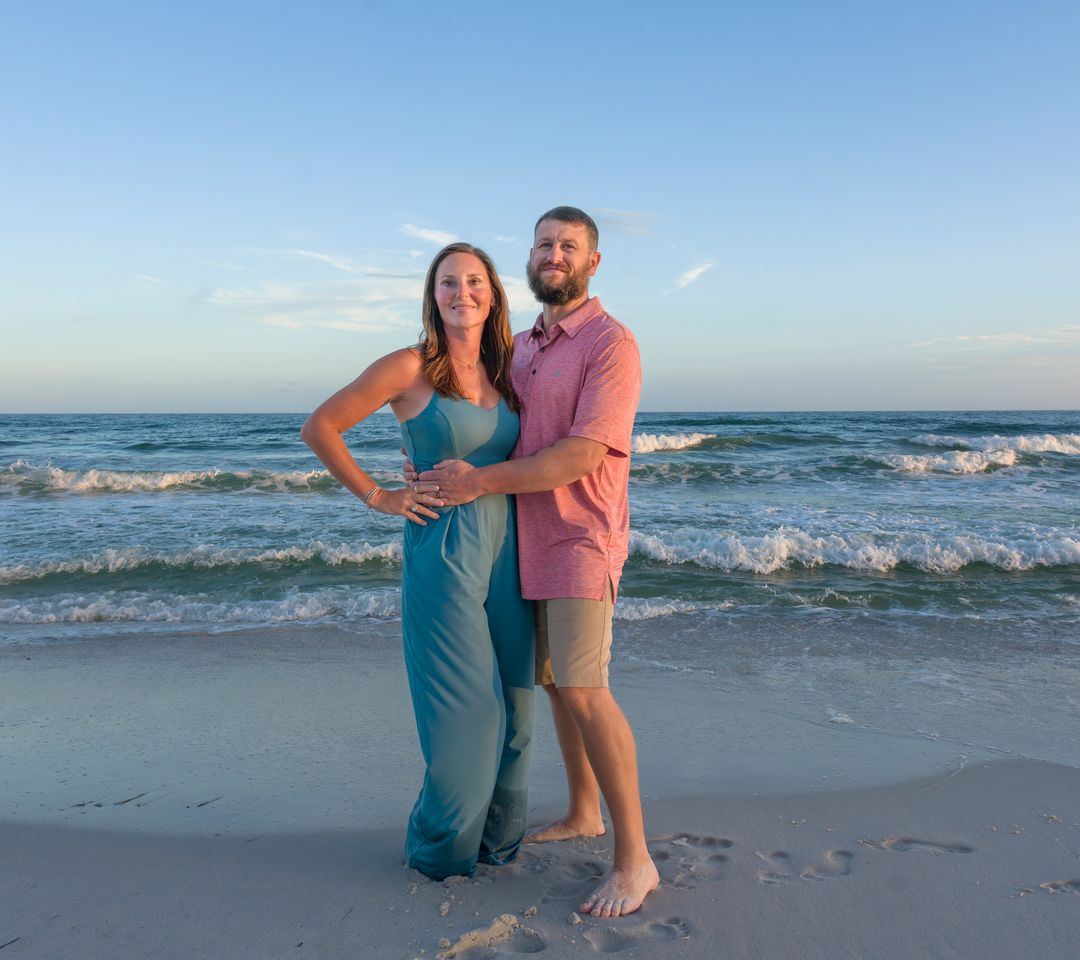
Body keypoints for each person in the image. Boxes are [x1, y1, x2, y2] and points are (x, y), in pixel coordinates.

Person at [411, 207, 659, 917]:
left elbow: (582, 454)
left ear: (593, 262)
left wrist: (477, 482)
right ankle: (584, 810)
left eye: (569, 246)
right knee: (552, 684)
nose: (555, 254)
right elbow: (482, 422)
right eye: (545, 244)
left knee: (584, 688)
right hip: (519, 538)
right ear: (531, 256)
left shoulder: (612, 344)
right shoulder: (520, 347)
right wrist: (427, 461)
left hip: (581, 540)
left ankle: (636, 860)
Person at [300, 242, 534, 881]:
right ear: (433, 296)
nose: (464, 293)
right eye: (449, 282)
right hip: (446, 550)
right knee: (469, 714)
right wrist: (382, 496)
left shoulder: (510, 367)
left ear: (494, 294)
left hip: (512, 549)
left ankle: (498, 848)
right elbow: (321, 426)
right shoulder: (409, 366)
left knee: (517, 709)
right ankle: (441, 855)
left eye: (475, 281)